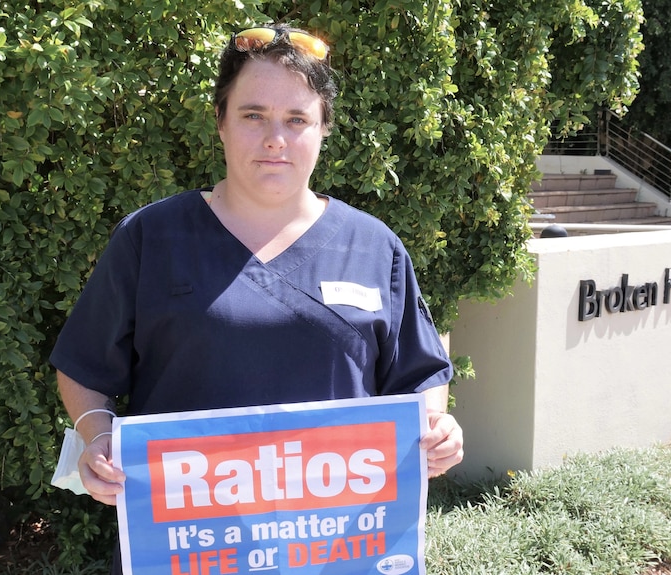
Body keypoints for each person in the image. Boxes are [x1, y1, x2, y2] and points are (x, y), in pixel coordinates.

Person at [51, 23, 463, 570]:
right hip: (189, 547)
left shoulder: (373, 246)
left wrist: (436, 428)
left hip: (338, 547)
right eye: (254, 116)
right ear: (220, 122)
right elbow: (83, 367)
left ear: (323, 130)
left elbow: (420, 376)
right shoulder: (151, 238)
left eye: (297, 120)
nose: (276, 139)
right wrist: (95, 435)